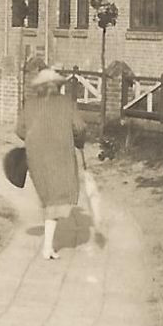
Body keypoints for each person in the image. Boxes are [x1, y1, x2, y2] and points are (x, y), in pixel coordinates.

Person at [15, 66, 104, 259]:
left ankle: (48, 246)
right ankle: (47, 248)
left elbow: (20, 130)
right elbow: (80, 128)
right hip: (60, 155)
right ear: (57, 86)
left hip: (37, 156)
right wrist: (76, 140)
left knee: (49, 198)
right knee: (56, 199)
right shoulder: (66, 103)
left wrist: (35, 139)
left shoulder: (29, 104)